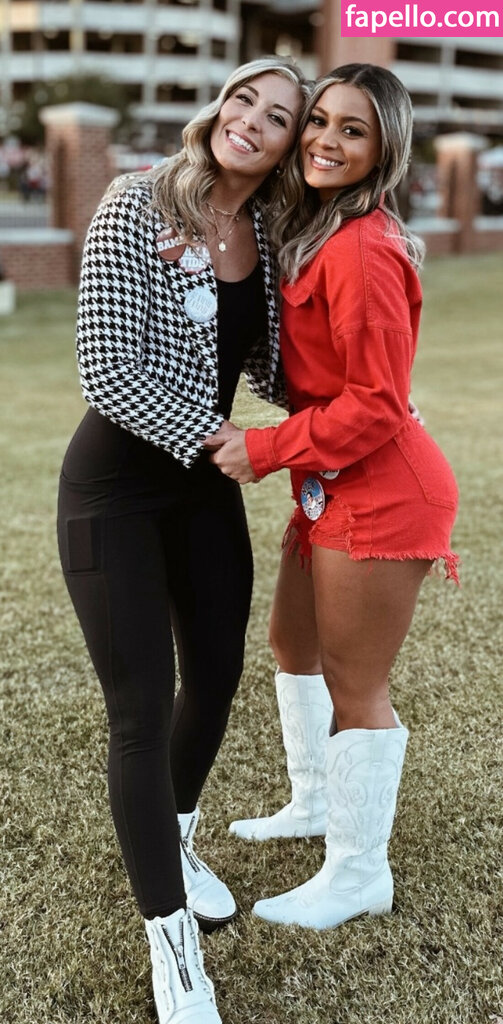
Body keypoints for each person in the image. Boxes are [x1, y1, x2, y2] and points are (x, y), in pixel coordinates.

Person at [57, 57, 306, 1024]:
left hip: (202, 489)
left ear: (288, 148)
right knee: (139, 710)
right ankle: (172, 951)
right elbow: (106, 368)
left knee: (215, 677)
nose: (251, 119)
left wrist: (360, 403)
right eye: (243, 98)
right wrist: (226, 445)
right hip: (115, 488)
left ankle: (176, 839)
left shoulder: (270, 235)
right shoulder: (135, 200)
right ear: (219, 107)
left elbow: (274, 365)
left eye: (277, 116)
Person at [206, 63, 459, 930]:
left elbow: (377, 404)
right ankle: (314, 801)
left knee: (357, 682)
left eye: (353, 130)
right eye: (318, 120)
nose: (323, 140)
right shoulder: (319, 228)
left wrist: (263, 448)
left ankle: (358, 873)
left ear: (383, 150)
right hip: (332, 479)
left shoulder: (361, 248)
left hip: (384, 489)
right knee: (293, 642)